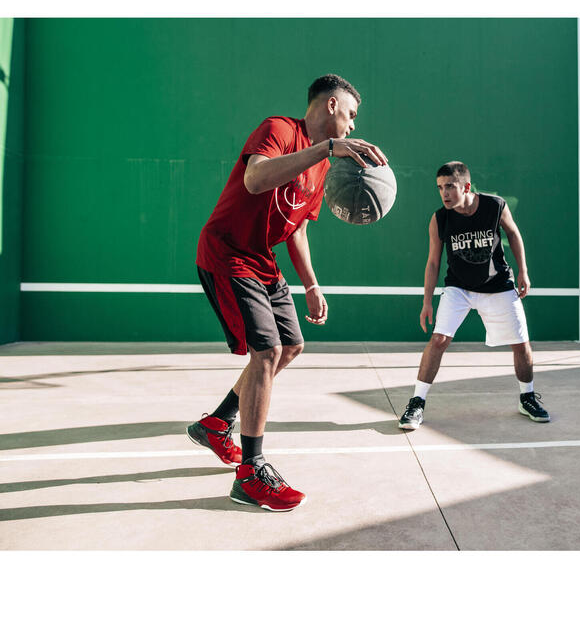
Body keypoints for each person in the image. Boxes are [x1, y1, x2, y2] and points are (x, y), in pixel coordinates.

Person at [188, 74, 387, 511]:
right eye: (351, 115)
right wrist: (326, 148)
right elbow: (256, 180)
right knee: (266, 352)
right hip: (228, 253)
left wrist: (311, 284)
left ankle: (217, 423)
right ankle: (251, 473)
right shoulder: (279, 130)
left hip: (262, 259)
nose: (352, 126)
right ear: (331, 105)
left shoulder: (323, 165)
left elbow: (296, 229)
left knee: (291, 346)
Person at [398, 161, 549, 430]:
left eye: (450, 187)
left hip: (499, 284)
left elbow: (514, 234)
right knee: (439, 339)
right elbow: (433, 262)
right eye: (440, 188)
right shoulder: (440, 218)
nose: (444, 193)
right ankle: (416, 403)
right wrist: (426, 301)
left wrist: (524, 272)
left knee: (521, 342)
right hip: (458, 288)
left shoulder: (495, 206)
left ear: (466, 186)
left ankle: (527, 398)